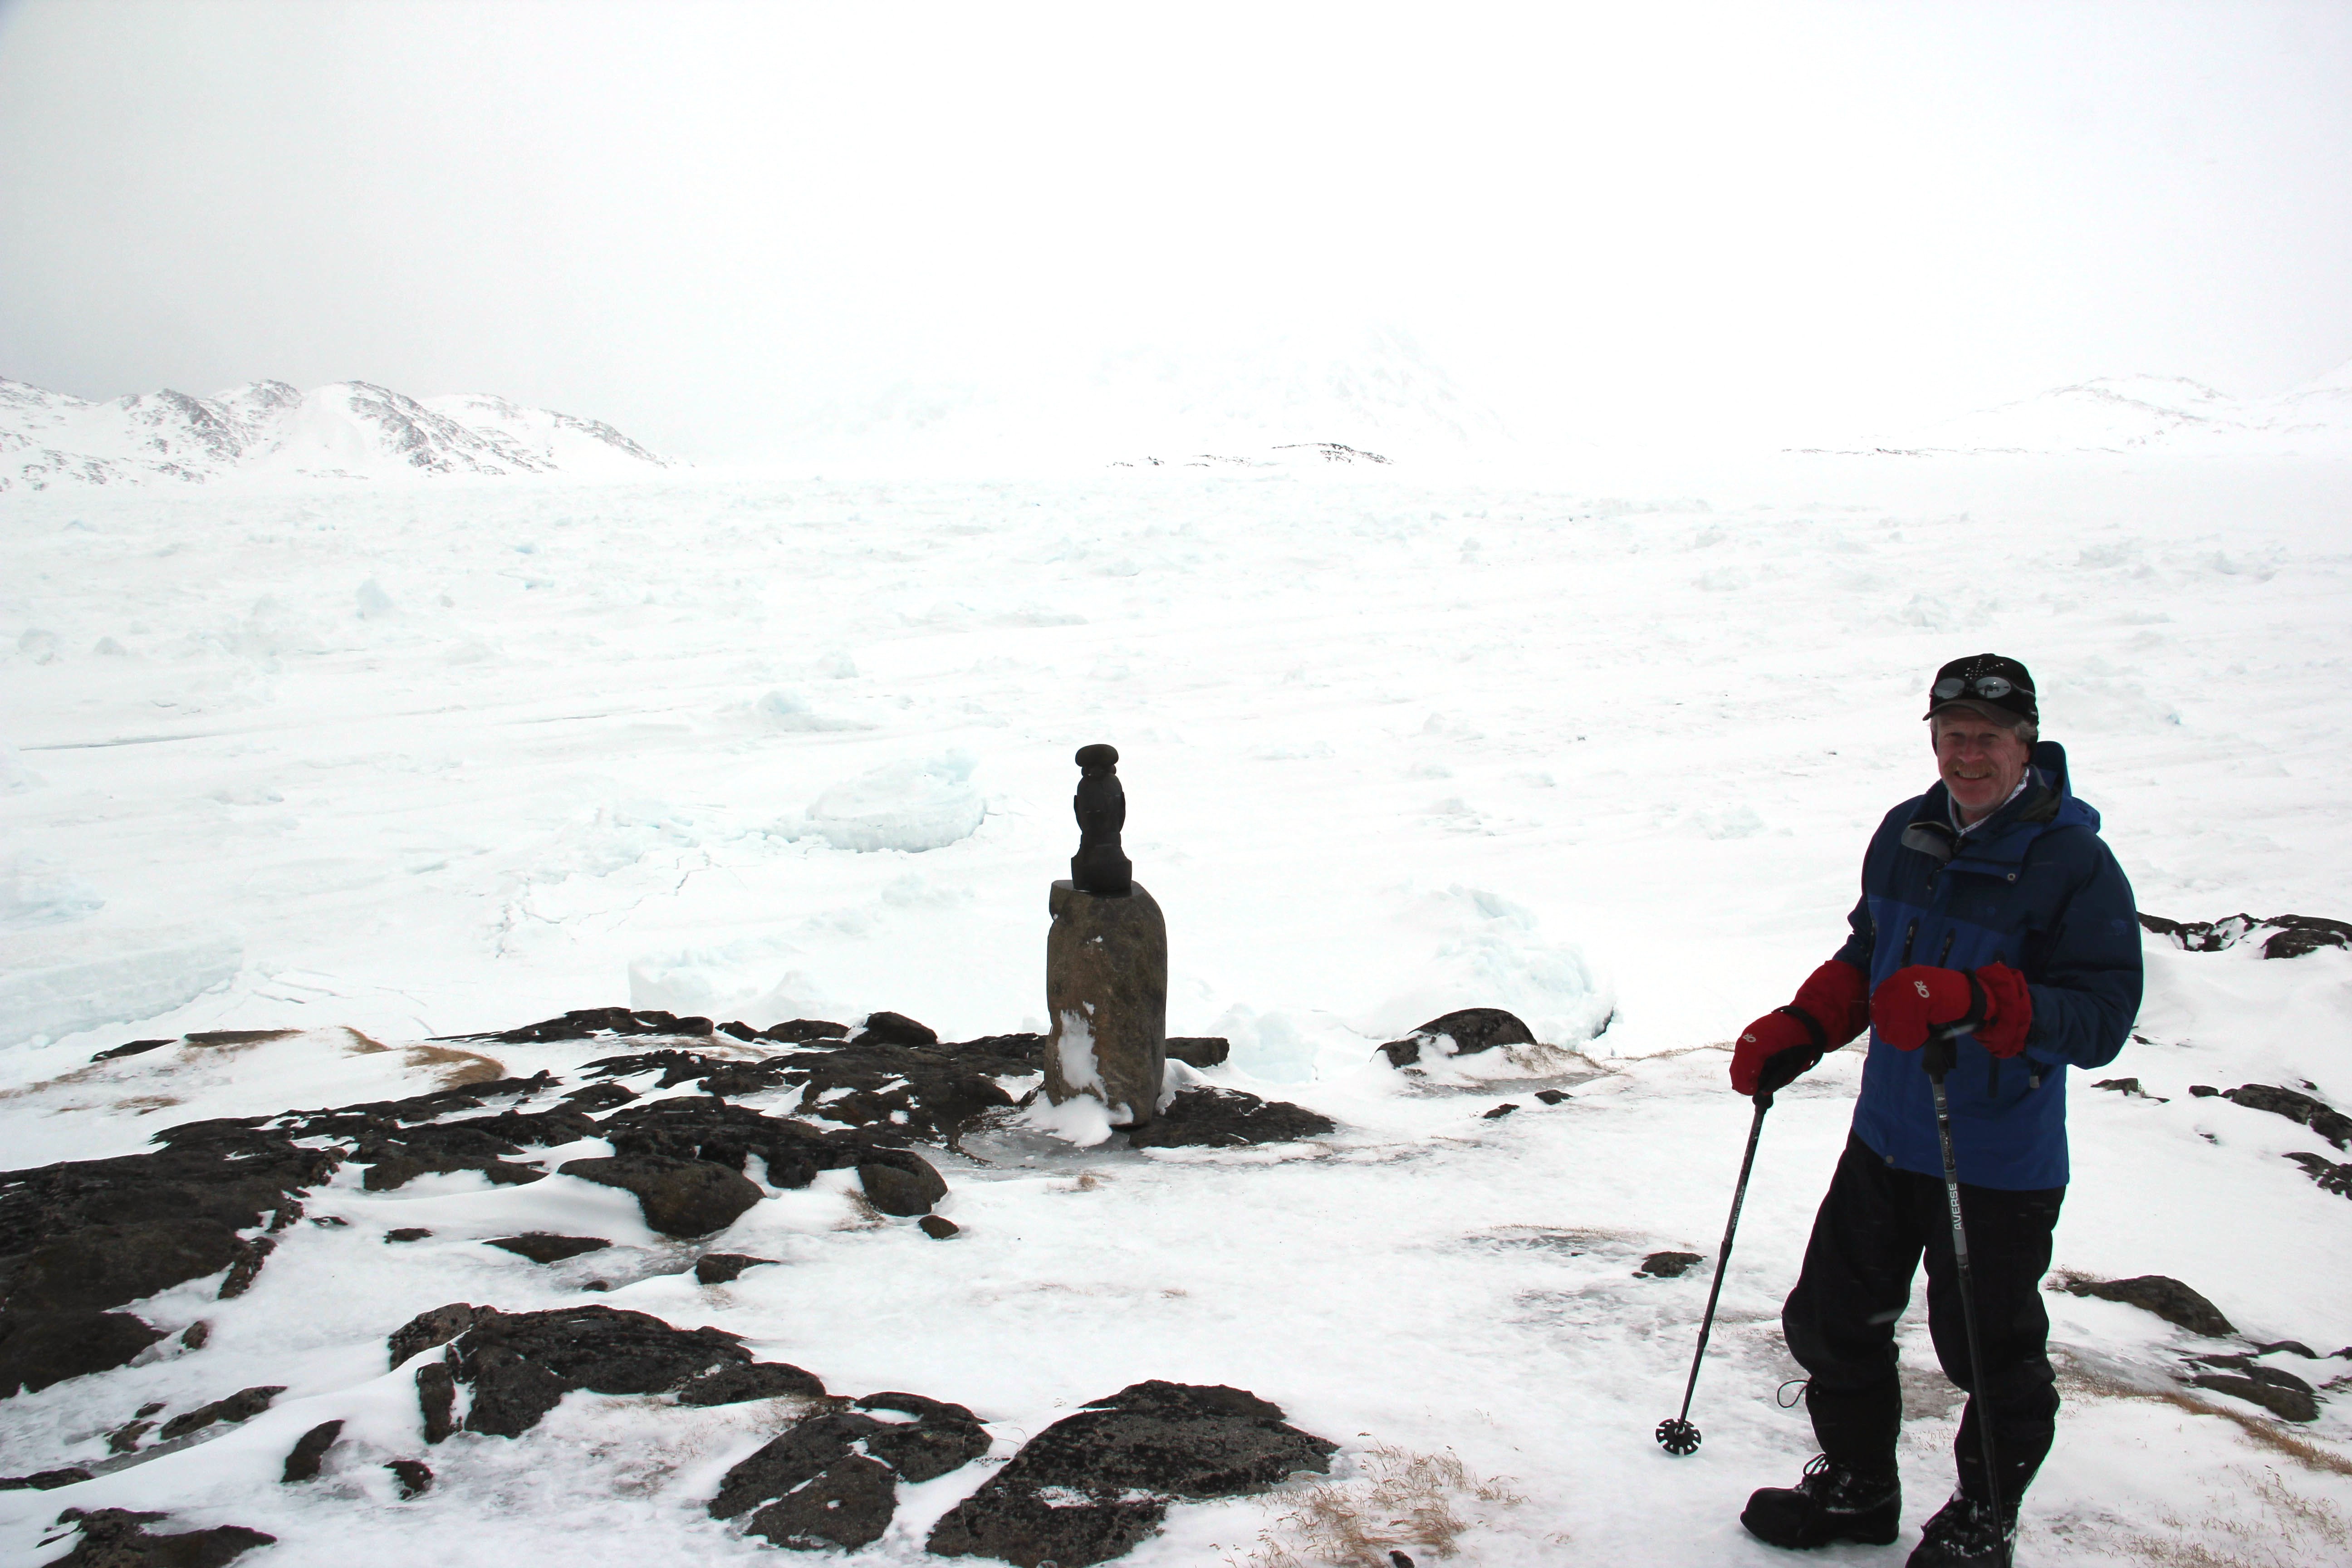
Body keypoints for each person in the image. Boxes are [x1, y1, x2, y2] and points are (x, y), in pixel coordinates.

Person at [1726, 654, 2141, 1568]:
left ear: (2024, 742)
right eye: (1952, 735)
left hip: (1997, 1156)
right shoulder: (1906, 831)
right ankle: (1859, 1487)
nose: (1967, 754)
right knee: (1832, 1319)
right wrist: (1804, 1024)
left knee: (1988, 1355)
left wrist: (1983, 1003)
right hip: (1887, 1135)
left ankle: (1984, 1518)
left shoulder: (2075, 863)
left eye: (1987, 737)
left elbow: (2104, 1020)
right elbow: (1869, 956)